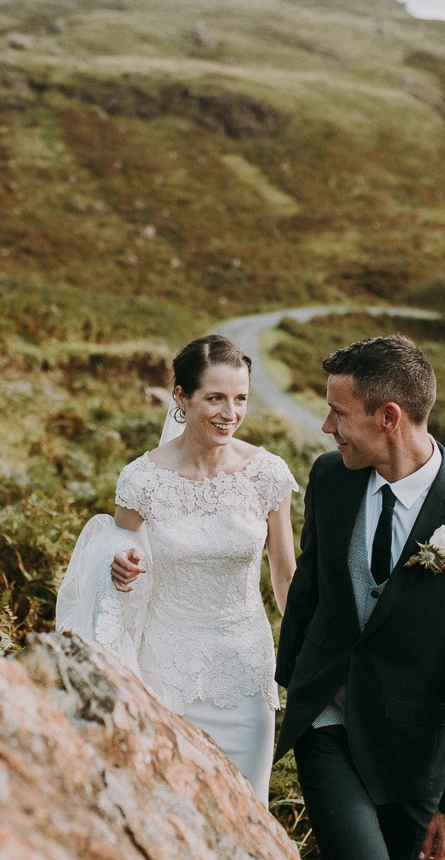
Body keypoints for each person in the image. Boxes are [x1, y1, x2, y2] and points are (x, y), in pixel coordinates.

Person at [275, 334, 445, 860]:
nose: (326, 427)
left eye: (338, 413)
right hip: (327, 724)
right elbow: (311, 588)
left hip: (417, 750)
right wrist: (292, 683)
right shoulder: (330, 478)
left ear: (389, 417)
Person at [55, 334, 298, 801]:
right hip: (166, 667)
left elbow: (285, 575)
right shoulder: (142, 479)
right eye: (216, 398)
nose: (231, 413)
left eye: (241, 398)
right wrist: (120, 569)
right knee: (168, 799)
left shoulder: (267, 474)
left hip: (245, 669)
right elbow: (123, 555)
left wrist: (307, 653)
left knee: (246, 803)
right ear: (181, 397)